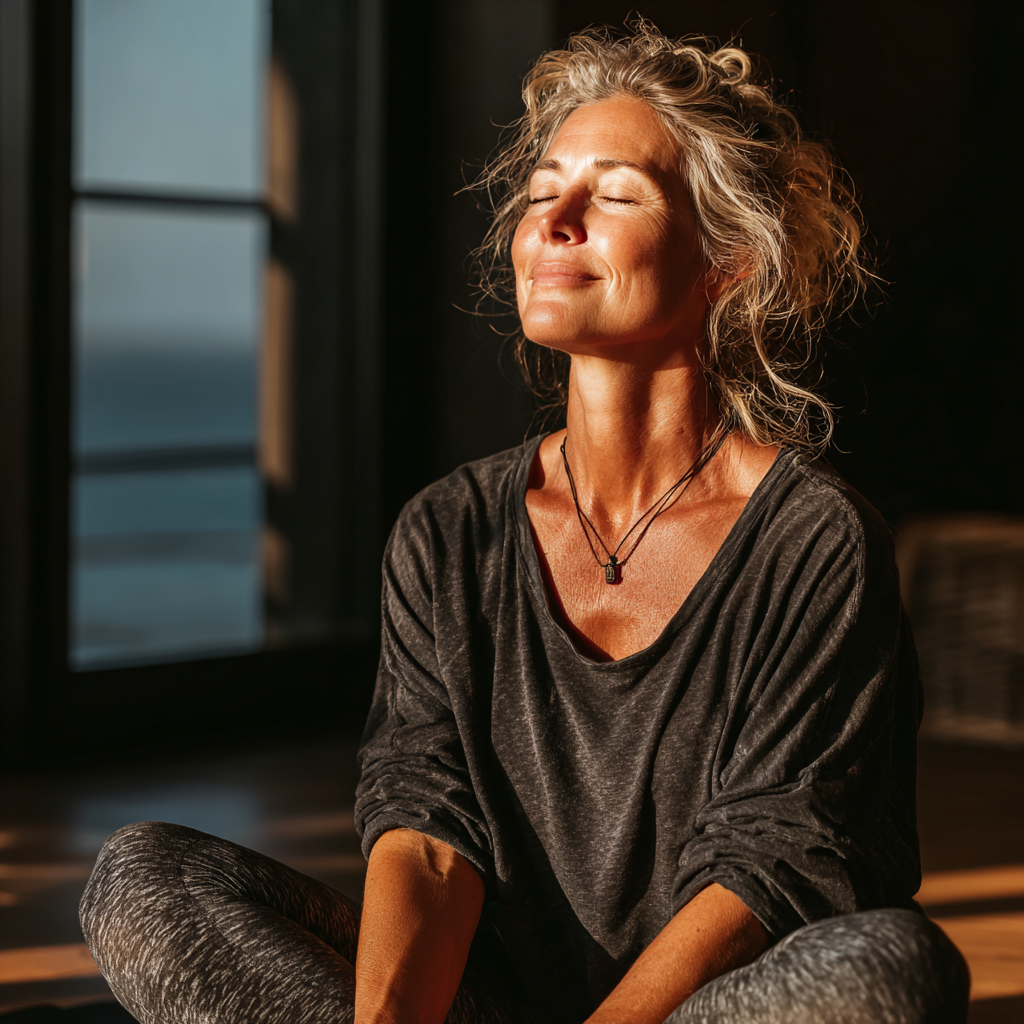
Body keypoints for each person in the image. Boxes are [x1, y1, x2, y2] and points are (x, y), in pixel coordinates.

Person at [80, 23, 969, 1024]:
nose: (553, 224)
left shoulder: (815, 542)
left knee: (890, 965)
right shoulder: (446, 532)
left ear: (725, 262)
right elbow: (424, 827)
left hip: (704, 1008)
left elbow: (773, 862)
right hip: (485, 1007)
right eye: (543, 194)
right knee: (144, 875)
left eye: (615, 196)